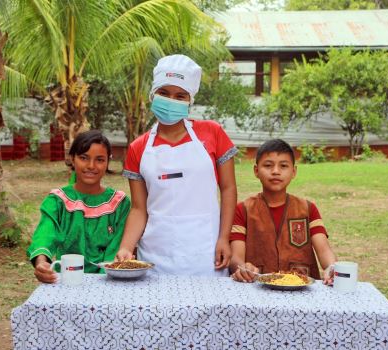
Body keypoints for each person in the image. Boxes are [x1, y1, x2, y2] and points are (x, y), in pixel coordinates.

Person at [116, 54, 237, 276]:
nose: (171, 100)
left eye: (180, 95)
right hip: (155, 256)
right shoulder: (138, 148)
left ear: (190, 100)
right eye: (164, 93)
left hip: (205, 253)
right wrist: (126, 246)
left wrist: (223, 238)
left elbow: (228, 189)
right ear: (153, 94)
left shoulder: (213, 133)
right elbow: (138, 209)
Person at [27, 130, 131, 283]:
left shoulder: (120, 203)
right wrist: (41, 263)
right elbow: (44, 235)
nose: (91, 166)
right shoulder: (57, 201)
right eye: (83, 158)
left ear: (108, 162)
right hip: (67, 281)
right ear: (72, 159)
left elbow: (116, 249)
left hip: (110, 281)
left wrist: (102, 283)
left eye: (100, 160)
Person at [229, 139, 336, 284]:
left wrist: (332, 268)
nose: (275, 171)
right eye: (268, 165)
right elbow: (236, 257)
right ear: (256, 171)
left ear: (293, 172)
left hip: (303, 292)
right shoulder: (243, 210)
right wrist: (243, 268)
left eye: (283, 166)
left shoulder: (308, 209)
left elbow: (324, 250)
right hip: (257, 290)